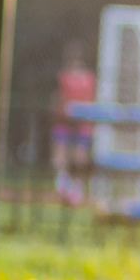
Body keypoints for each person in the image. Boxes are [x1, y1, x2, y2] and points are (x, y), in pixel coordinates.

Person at [52, 42, 96, 206]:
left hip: (72, 120)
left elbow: (58, 98)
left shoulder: (68, 77)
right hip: (73, 121)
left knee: (69, 153)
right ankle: (71, 187)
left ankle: (67, 186)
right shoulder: (87, 78)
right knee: (70, 152)